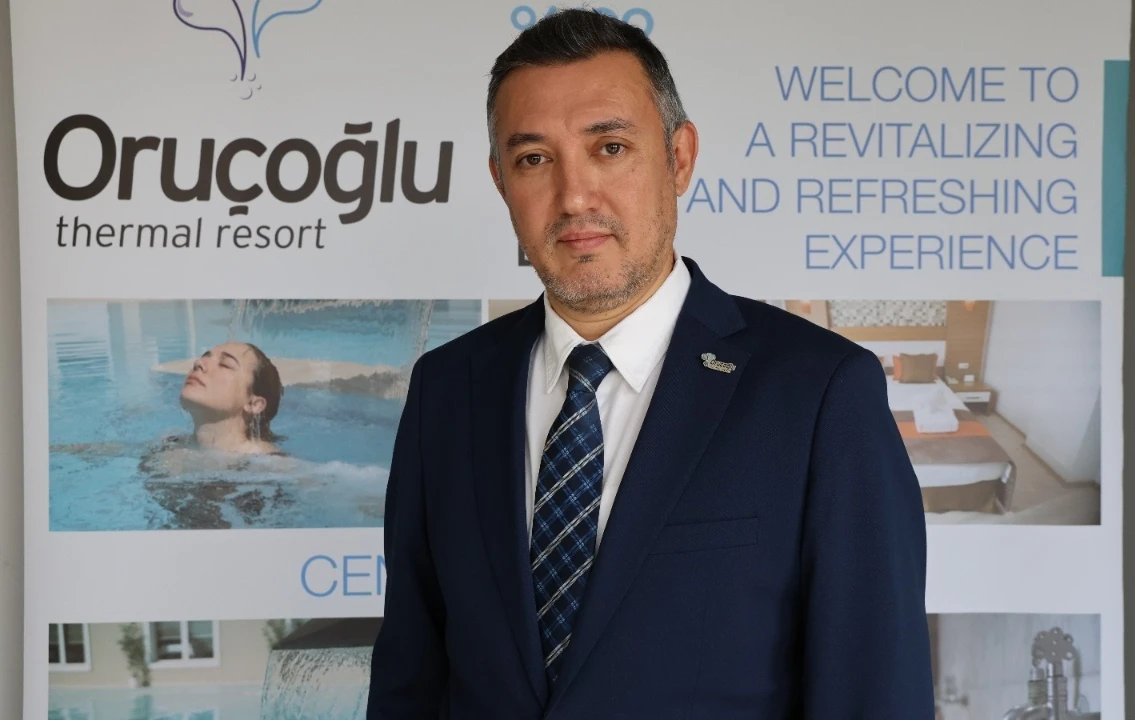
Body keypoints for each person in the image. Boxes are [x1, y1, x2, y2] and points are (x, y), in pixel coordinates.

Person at [368, 9, 933, 719]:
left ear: (679, 158)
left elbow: (874, 693)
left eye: (609, 148)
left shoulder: (818, 392)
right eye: (534, 159)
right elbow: (411, 679)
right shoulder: (447, 389)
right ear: (501, 181)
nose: (575, 196)